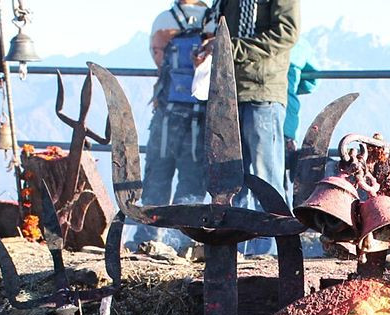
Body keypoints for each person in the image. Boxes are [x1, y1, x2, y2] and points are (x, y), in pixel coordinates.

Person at [212, 0, 300, 255]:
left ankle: (270, 247)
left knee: (266, 174)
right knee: (231, 174)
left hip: (263, 91)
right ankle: (235, 246)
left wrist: (232, 48)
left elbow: (286, 32)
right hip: (229, 90)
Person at [132, 1, 212, 250]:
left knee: (157, 175)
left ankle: (147, 236)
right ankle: (182, 241)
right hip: (200, 114)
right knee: (191, 180)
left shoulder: (164, 20)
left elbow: (158, 57)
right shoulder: (212, 20)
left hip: (167, 113)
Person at [283, 39, 317, 185]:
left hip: (252, 113)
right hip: (288, 122)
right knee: (278, 175)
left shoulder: (254, 37)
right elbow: (311, 82)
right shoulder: (299, 42)